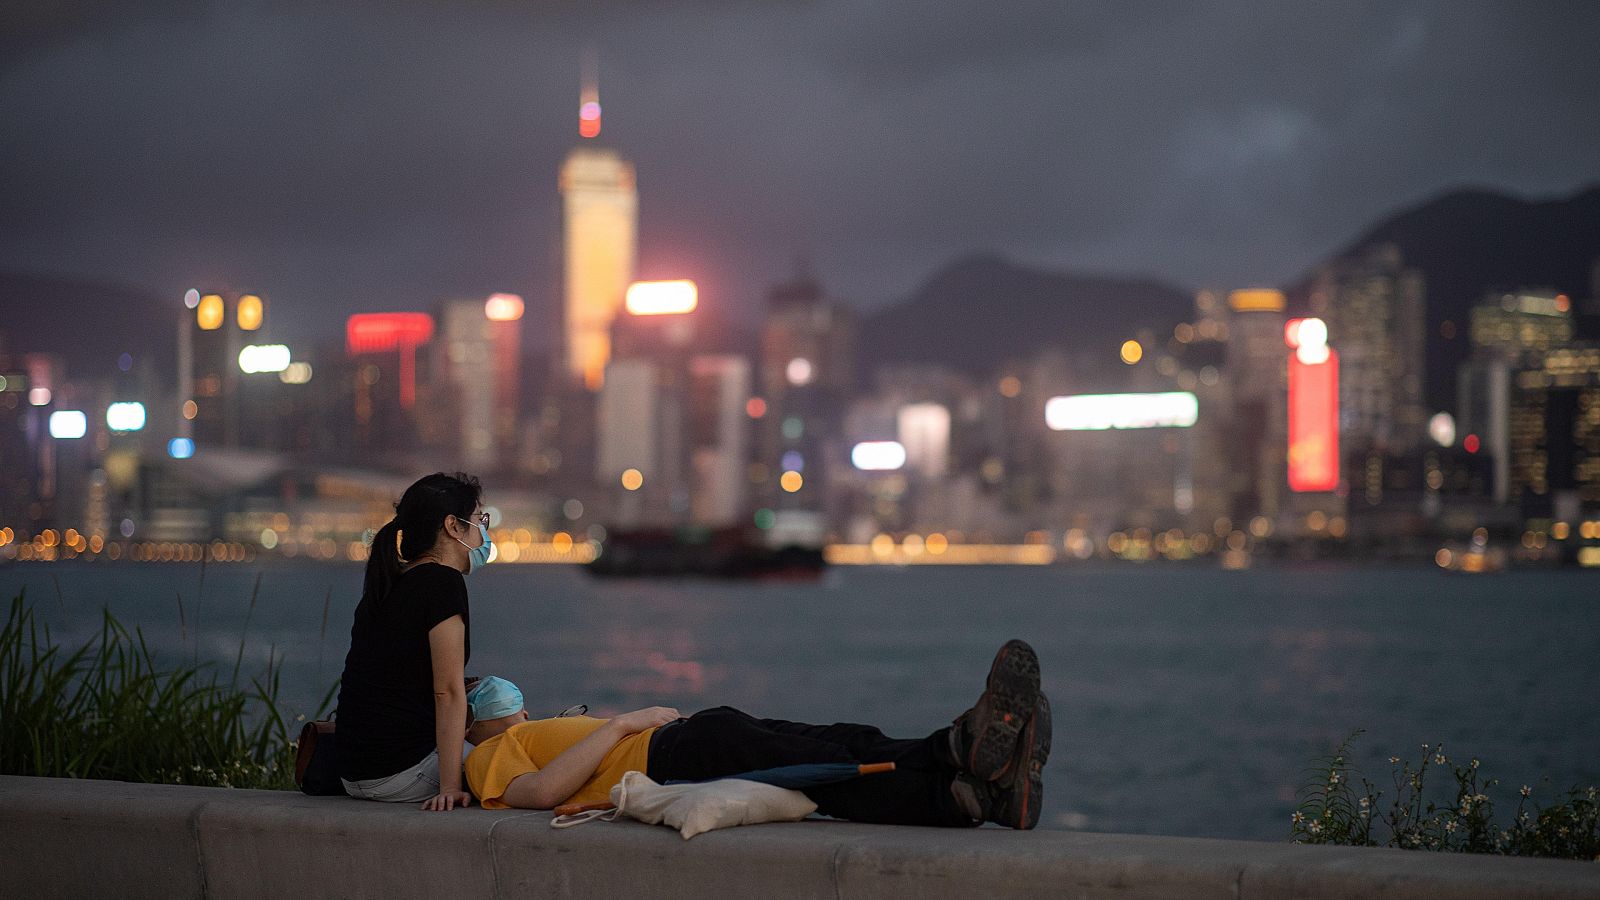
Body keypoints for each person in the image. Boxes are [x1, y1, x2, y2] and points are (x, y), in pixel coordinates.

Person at [462, 640, 1051, 829]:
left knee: (843, 737)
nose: (504, 697)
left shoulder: (531, 726)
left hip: (693, 734)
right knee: (819, 768)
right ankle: (958, 775)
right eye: (483, 693)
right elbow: (537, 795)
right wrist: (625, 721)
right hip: (675, 751)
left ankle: (983, 784)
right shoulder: (486, 752)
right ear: (468, 722)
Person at [335, 472, 493, 811]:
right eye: (480, 519)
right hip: (400, 774)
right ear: (453, 526)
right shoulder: (442, 583)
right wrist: (450, 788)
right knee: (513, 754)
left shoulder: (388, 584)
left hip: (351, 773)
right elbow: (446, 692)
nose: (483, 532)